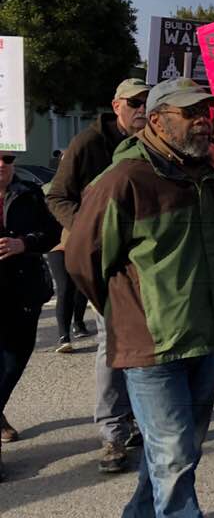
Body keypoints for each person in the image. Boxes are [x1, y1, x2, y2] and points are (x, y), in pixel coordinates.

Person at [66, 77, 214, 517]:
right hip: (152, 347)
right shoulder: (125, 179)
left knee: (180, 452)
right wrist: (125, 311)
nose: (203, 122)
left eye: (206, 112)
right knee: (174, 457)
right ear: (159, 120)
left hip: (208, 337)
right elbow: (82, 259)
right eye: (191, 113)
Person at [46, 77, 149, 473]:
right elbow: (57, 195)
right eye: (134, 102)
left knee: (141, 342)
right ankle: (112, 434)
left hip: (139, 258)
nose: (142, 108)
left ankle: (135, 418)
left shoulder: (150, 145)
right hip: (101, 259)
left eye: (147, 101)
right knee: (113, 338)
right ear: (117, 105)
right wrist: (89, 229)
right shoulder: (88, 143)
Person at [0, 152, 61, 481]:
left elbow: (52, 232)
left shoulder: (29, 192)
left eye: (7, 158)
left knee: (14, 361)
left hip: (23, 292)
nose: (1, 164)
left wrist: (24, 243)